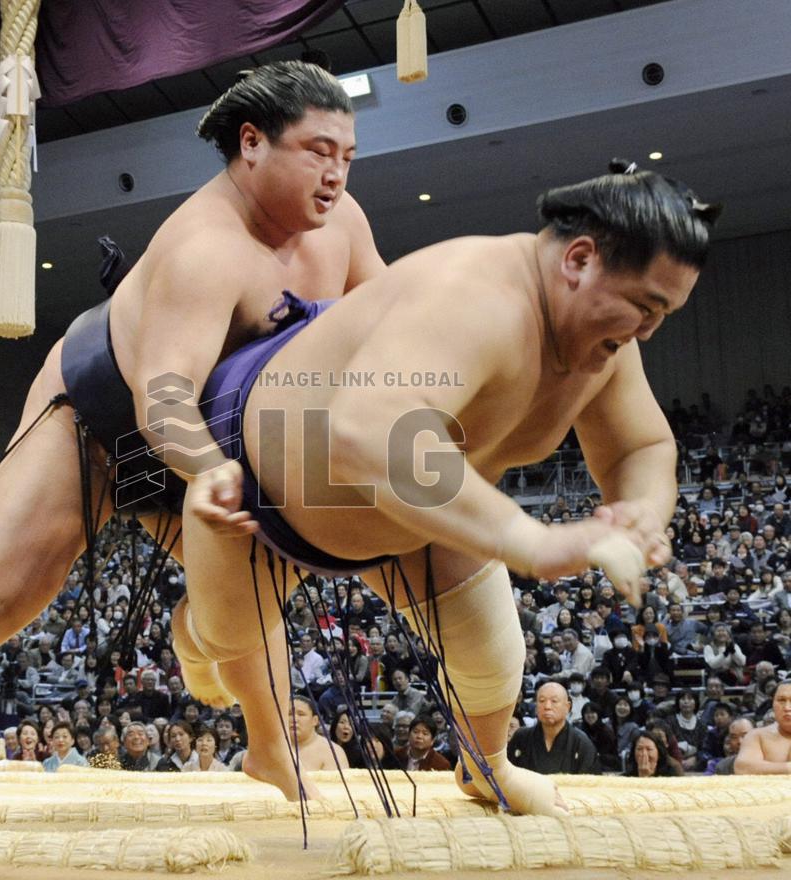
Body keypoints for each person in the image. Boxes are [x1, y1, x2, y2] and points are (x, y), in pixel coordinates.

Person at [0, 60, 384, 799]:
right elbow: (163, 400)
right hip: (101, 420)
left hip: (213, 434)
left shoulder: (347, 228)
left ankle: (269, 746)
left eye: (346, 156)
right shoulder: (205, 247)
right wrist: (212, 473)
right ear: (252, 144)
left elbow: (387, 326)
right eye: (317, 152)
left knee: (254, 568)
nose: (335, 175)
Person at [174, 161, 717, 811]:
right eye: (645, 306)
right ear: (579, 259)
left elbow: (643, 445)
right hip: (261, 490)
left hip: (415, 512)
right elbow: (366, 435)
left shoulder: (606, 342)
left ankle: (484, 766)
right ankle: (190, 636)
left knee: (491, 652)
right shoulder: (475, 293)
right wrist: (530, 540)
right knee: (222, 637)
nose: (648, 331)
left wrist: (643, 511)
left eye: (664, 314)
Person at [508, 682, 601, 775]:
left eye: (554, 701)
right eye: (542, 701)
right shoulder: (521, 737)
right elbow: (506, 777)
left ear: (567, 707)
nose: (547, 706)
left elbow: (591, 784)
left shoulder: (581, 742)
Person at [734, 681, 791, 774]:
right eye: (781, 700)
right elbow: (742, 768)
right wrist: (787, 768)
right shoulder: (757, 736)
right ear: (772, 704)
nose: (787, 707)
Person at [288, 696, 349, 772]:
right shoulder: (272, 748)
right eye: (290, 714)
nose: (294, 719)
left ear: (315, 720)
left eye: (301, 714)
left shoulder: (333, 751)